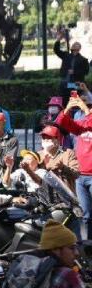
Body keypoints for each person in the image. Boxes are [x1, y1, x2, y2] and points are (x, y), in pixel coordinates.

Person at [56, 94, 92, 237]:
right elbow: (61, 121)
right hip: (80, 176)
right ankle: (89, 248)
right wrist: (68, 108)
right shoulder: (82, 126)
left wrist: (84, 107)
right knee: (86, 216)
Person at [37, 125, 79, 193]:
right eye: (43, 137)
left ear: (57, 139)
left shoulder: (68, 153)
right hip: (44, 195)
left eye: (49, 137)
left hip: (65, 195)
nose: (45, 139)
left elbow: (76, 174)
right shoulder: (38, 155)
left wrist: (63, 168)